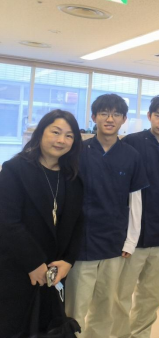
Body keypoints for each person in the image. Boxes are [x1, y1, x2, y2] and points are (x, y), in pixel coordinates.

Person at [65, 94, 149, 338]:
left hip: (114, 243)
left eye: (116, 114)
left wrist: (131, 240)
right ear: (94, 117)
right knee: (75, 309)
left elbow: (135, 202)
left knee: (105, 309)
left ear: (123, 119)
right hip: (82, 243)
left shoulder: (131, 155)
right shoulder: (78, 152)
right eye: (104, 113)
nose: (110, 119)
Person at [0, 110, 84, 338]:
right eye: (55, 132)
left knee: (48, 328)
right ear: (40, 133)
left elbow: (78, 222)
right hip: (18, 266)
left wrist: (68, 261)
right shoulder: (15, 169)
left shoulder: (72, 176)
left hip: (55, 270)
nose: (61, 140)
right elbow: (7, 221)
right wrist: (33, 262)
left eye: (69, 135)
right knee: (14, 326)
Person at [112, 96, 159, 338]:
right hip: (130, 233)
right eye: (158, 115)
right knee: (121, 293)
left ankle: (140, 334)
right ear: (149, 116)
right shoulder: (131, 143)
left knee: (151, 293)